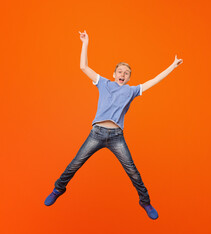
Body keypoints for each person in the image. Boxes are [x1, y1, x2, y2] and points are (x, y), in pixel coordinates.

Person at [44, 30, 183, 220]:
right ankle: (58, 189)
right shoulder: (103, 83)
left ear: (129, 78)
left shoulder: (132, 91)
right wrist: (85, 42)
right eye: (120, 71)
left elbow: (154, 81)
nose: (122, 74)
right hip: (97, 133)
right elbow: (84, 67)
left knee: (132, 170)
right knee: (75, 163)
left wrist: (172, 66)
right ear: (114, 73)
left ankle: (145, 202)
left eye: (126, 73)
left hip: (117, 137)